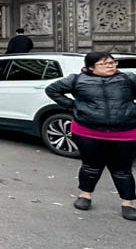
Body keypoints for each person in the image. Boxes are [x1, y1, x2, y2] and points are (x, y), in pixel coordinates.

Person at [45, 52, 136, 220]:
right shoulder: (77, 80)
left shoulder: (128, 79)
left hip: (124, 132)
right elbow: (52, 90)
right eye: (105, 64)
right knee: (90, 166)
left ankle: (128, 204)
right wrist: (73, 106)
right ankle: (85, 195)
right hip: (88, 131)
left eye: (112, 62)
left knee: (122, 170)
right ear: (90, 67)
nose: (111, 66)